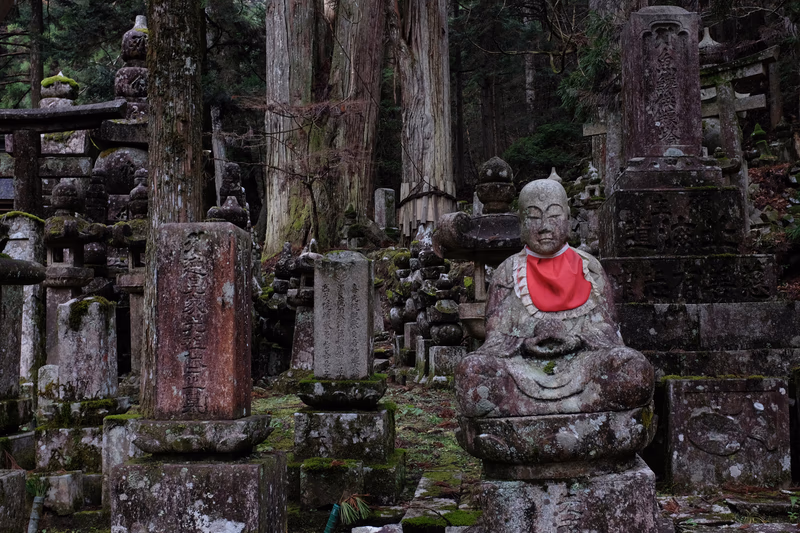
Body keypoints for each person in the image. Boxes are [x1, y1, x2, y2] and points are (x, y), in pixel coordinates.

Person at [454, 179, 654, 418]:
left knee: (632, 368)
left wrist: (576, 339)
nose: (544, 227)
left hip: (584, 364)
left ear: (568, 220)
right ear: (521, 224)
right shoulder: (508, 272)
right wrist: (526, 340)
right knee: (473, 370)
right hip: (523, 369)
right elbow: (495, 336)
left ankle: (534, 413)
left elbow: (608, 331)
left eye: (554, 215)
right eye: (534, 217)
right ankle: (577, 409)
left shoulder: (589, 269)